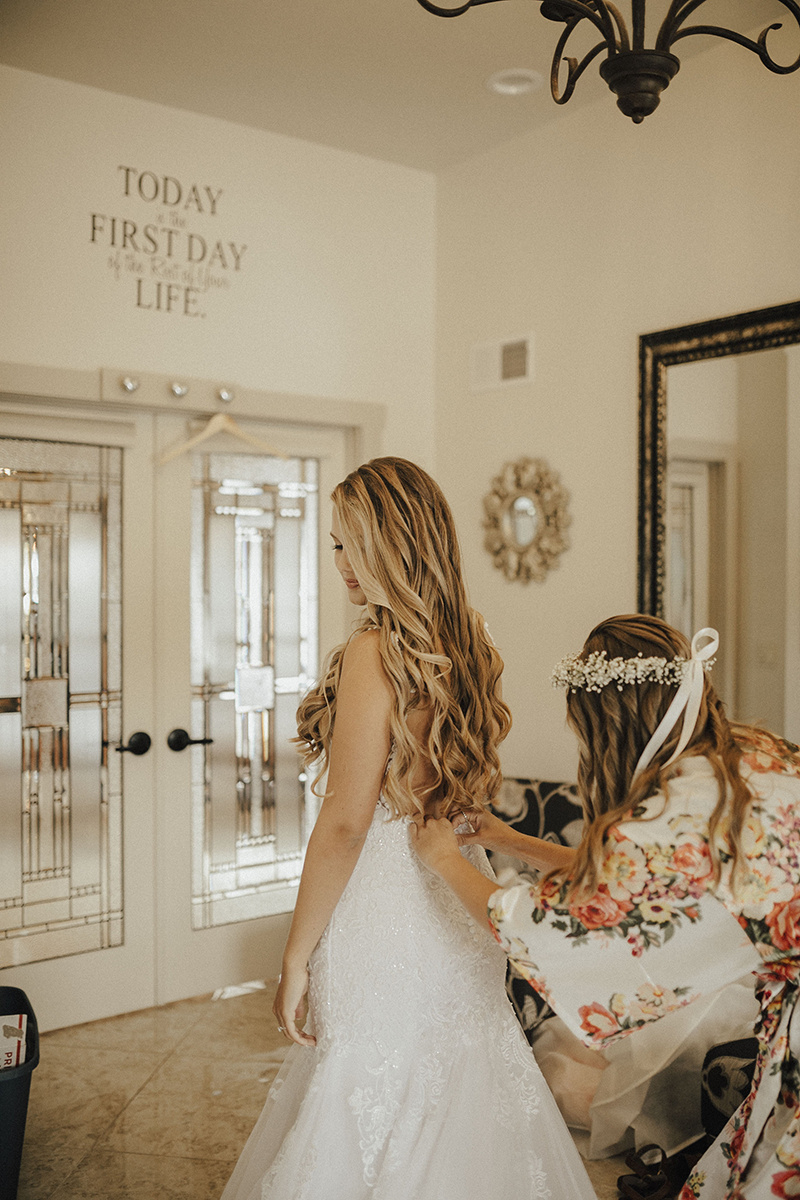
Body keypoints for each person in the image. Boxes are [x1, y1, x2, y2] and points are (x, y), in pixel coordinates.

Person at [220, 457, 597, 1200]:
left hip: (384, 909)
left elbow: (347, 823)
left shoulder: (375, 651)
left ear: (392, 544)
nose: (340, 565)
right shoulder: (469, 643)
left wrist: (295, 954)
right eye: (333, 545)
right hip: (451, 899)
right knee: (463, 1091)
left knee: (371, 1091)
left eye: (349, 544)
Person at [412, 613, 800, 1200]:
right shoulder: (745, 756)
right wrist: (503, 837)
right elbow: (624, 880)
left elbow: (548, 930)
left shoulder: (674, 812)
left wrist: (444, 860)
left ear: (607, 728)